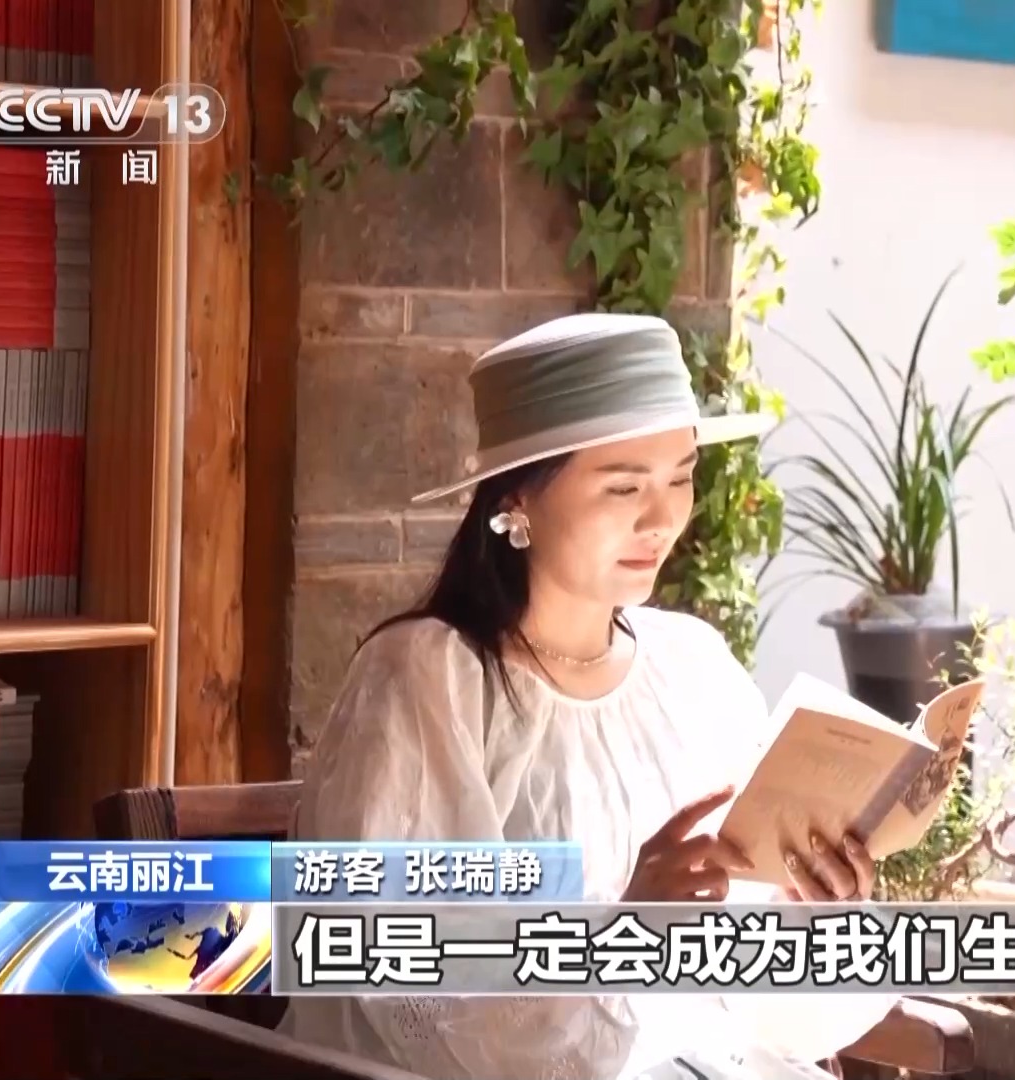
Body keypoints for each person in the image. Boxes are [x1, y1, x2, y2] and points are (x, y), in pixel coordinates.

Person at [278, 313, 896, 1080]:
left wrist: (813, 916)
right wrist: (624, 932)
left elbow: (742, 989)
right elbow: (418, 986)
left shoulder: (692, 667)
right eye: (623, 486)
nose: (662, 519)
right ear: (519, 498)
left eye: (680, 476)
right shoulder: (427, 680)